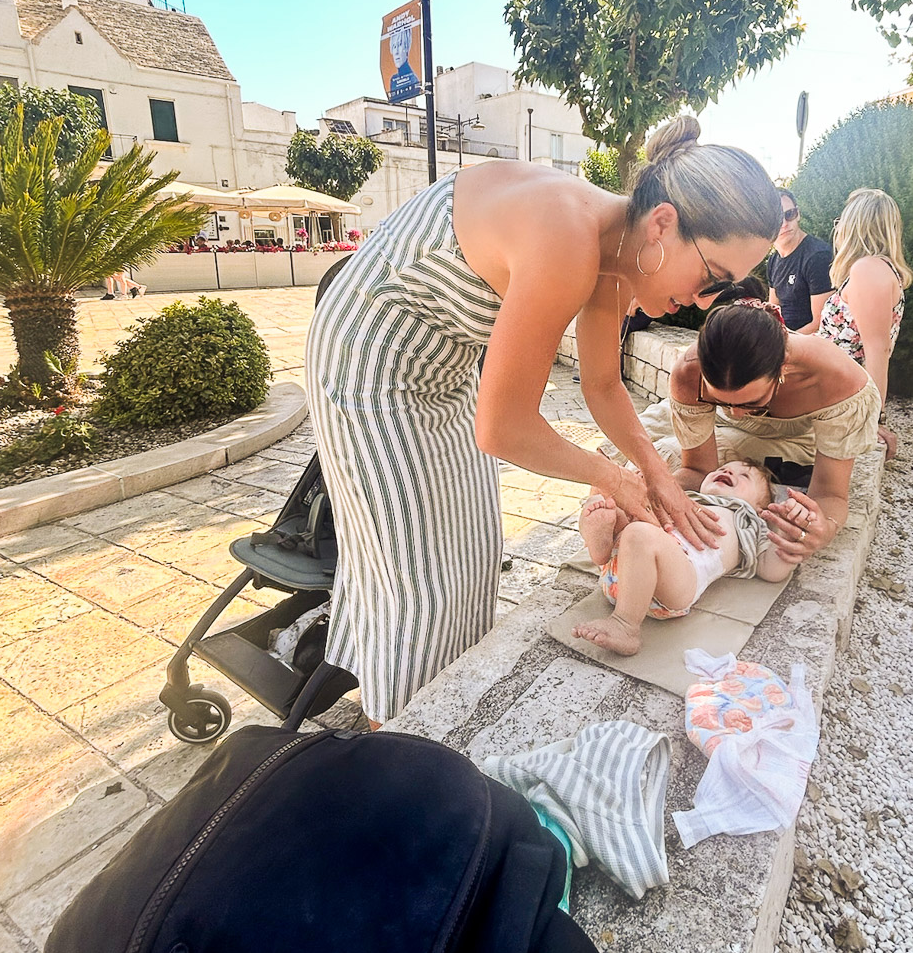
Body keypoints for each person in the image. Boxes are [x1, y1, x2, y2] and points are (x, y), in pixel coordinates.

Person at [305, 115, 783, 723]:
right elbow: (502, 428)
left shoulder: (619, 252)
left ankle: (437, 715)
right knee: (416, 580)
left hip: (441, 368)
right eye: (712, 276)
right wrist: (614, 478)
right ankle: (397, 738)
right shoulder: (569, 238)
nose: (702, 300)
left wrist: (656, 473)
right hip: (367, 364)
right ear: (663, 223)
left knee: (472, 555)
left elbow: (603, 384)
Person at [636, 299, 880, 566]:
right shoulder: (688, 372)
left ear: (783, 368)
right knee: (637, 457)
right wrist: (650, 494)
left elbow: (830, 493)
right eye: (722, 400)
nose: (736, 412)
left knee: (666, 453)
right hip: (713, 420)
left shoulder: (839, 381)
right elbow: (698, 468)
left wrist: (824, 527)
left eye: (750, 403)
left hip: (791, 438)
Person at [572, 459, 794, 656]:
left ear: (759, 507)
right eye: (723, 468)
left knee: (639, 533)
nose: (729, 472)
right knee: (610, 511)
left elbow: (771, 569)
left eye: (744, 475)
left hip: (675, 582)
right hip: (629, 573)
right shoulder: (685, 498)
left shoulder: (748, 521)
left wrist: (789, 532)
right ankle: (604, 535)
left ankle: (625, 624)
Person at [817, 188, 911, 459]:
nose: (839, 227)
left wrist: (875, 419)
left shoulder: (869, 269)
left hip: (835, 392)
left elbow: (877, 349)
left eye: (842, 219)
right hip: (834, 387)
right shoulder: (876, 268)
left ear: (855, 225)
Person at [766, 189, 833, 332]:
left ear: (798, 214)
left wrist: (779, 347)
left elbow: (821, 324)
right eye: (777, 219)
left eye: (789, 214)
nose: (784, 224)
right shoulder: (773, 261)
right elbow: (772, 313)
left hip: (810, 347)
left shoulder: (818, 257)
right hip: (784, 340)